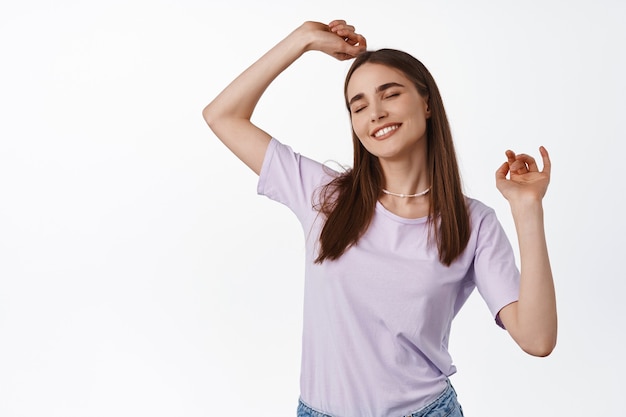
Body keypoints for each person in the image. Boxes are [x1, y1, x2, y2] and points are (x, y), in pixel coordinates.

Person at [203, 20, 557, 417]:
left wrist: (527, 209)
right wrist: (302, 39)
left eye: (390, 94)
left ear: (426, 103)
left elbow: (537, 339)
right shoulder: (325, 195)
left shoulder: (473, 222)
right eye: (359, 106)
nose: (375, 113)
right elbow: (222, 116)